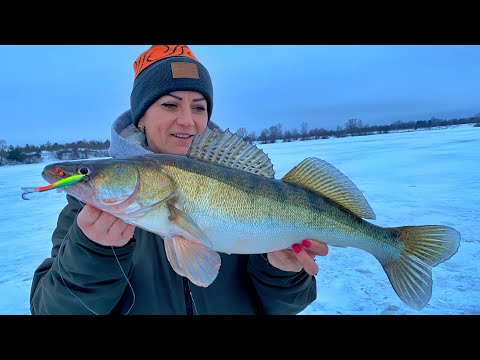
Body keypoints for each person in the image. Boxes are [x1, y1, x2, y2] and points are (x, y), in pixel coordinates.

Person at [30, 45, 329, 315]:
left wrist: (282, 272)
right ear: (142, 117)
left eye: (199, 107)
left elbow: (282, 307)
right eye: (170, 105)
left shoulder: (240, 178)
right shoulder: (86, 216)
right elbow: (50, 310)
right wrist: (92, 252)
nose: (187, 120)